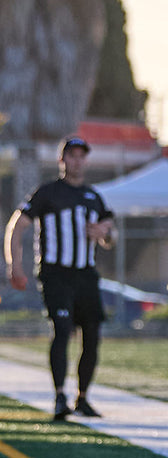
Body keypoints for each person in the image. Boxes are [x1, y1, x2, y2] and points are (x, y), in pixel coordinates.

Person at [4, 137, 116, 420]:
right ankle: (58, 396)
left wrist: (105, 232)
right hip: (56, 273)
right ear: (62, 160)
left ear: (85, 160)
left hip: (86, 273)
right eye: (71, 155)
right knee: (62, 329)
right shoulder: (48, 193)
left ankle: (83, 397)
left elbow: (110, 236)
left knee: (92, 335)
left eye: (81, 156)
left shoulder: (93, 196)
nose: (77, 161)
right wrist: (14, 264)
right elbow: (17, 225)